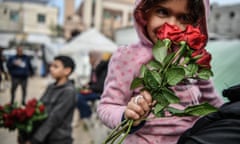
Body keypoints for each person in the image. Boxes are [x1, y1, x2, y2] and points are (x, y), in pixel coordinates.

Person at [97, 0, 224, 144]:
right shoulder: (127, 56)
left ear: (196, 25)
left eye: (184, 18)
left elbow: (214, 104)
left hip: (192, 139)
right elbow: (106, 106)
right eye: (162, 12)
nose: (172, 25)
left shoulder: (192, 60)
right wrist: (127, 114)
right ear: (144, 14)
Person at [27, 55, 76, 144]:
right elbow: (39, 107)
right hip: (44, 137)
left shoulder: (69, 91)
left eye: (55, 66)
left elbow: (54, 118)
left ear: (67, 71)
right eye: (51, 66)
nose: (51, 69)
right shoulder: (51, 87)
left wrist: (35, 140)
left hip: (58, 139)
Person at [77, 51, 109, 119]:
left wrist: (90, 87)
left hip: (101, 93)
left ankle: (87, 115)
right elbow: (93, 81)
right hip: (94, 91)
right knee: (76, 94)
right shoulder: (94, 67)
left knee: (79, 97)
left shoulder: (103, 68)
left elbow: (101, 86)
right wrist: (88, 84)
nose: (89, 60)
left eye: (90, 57)